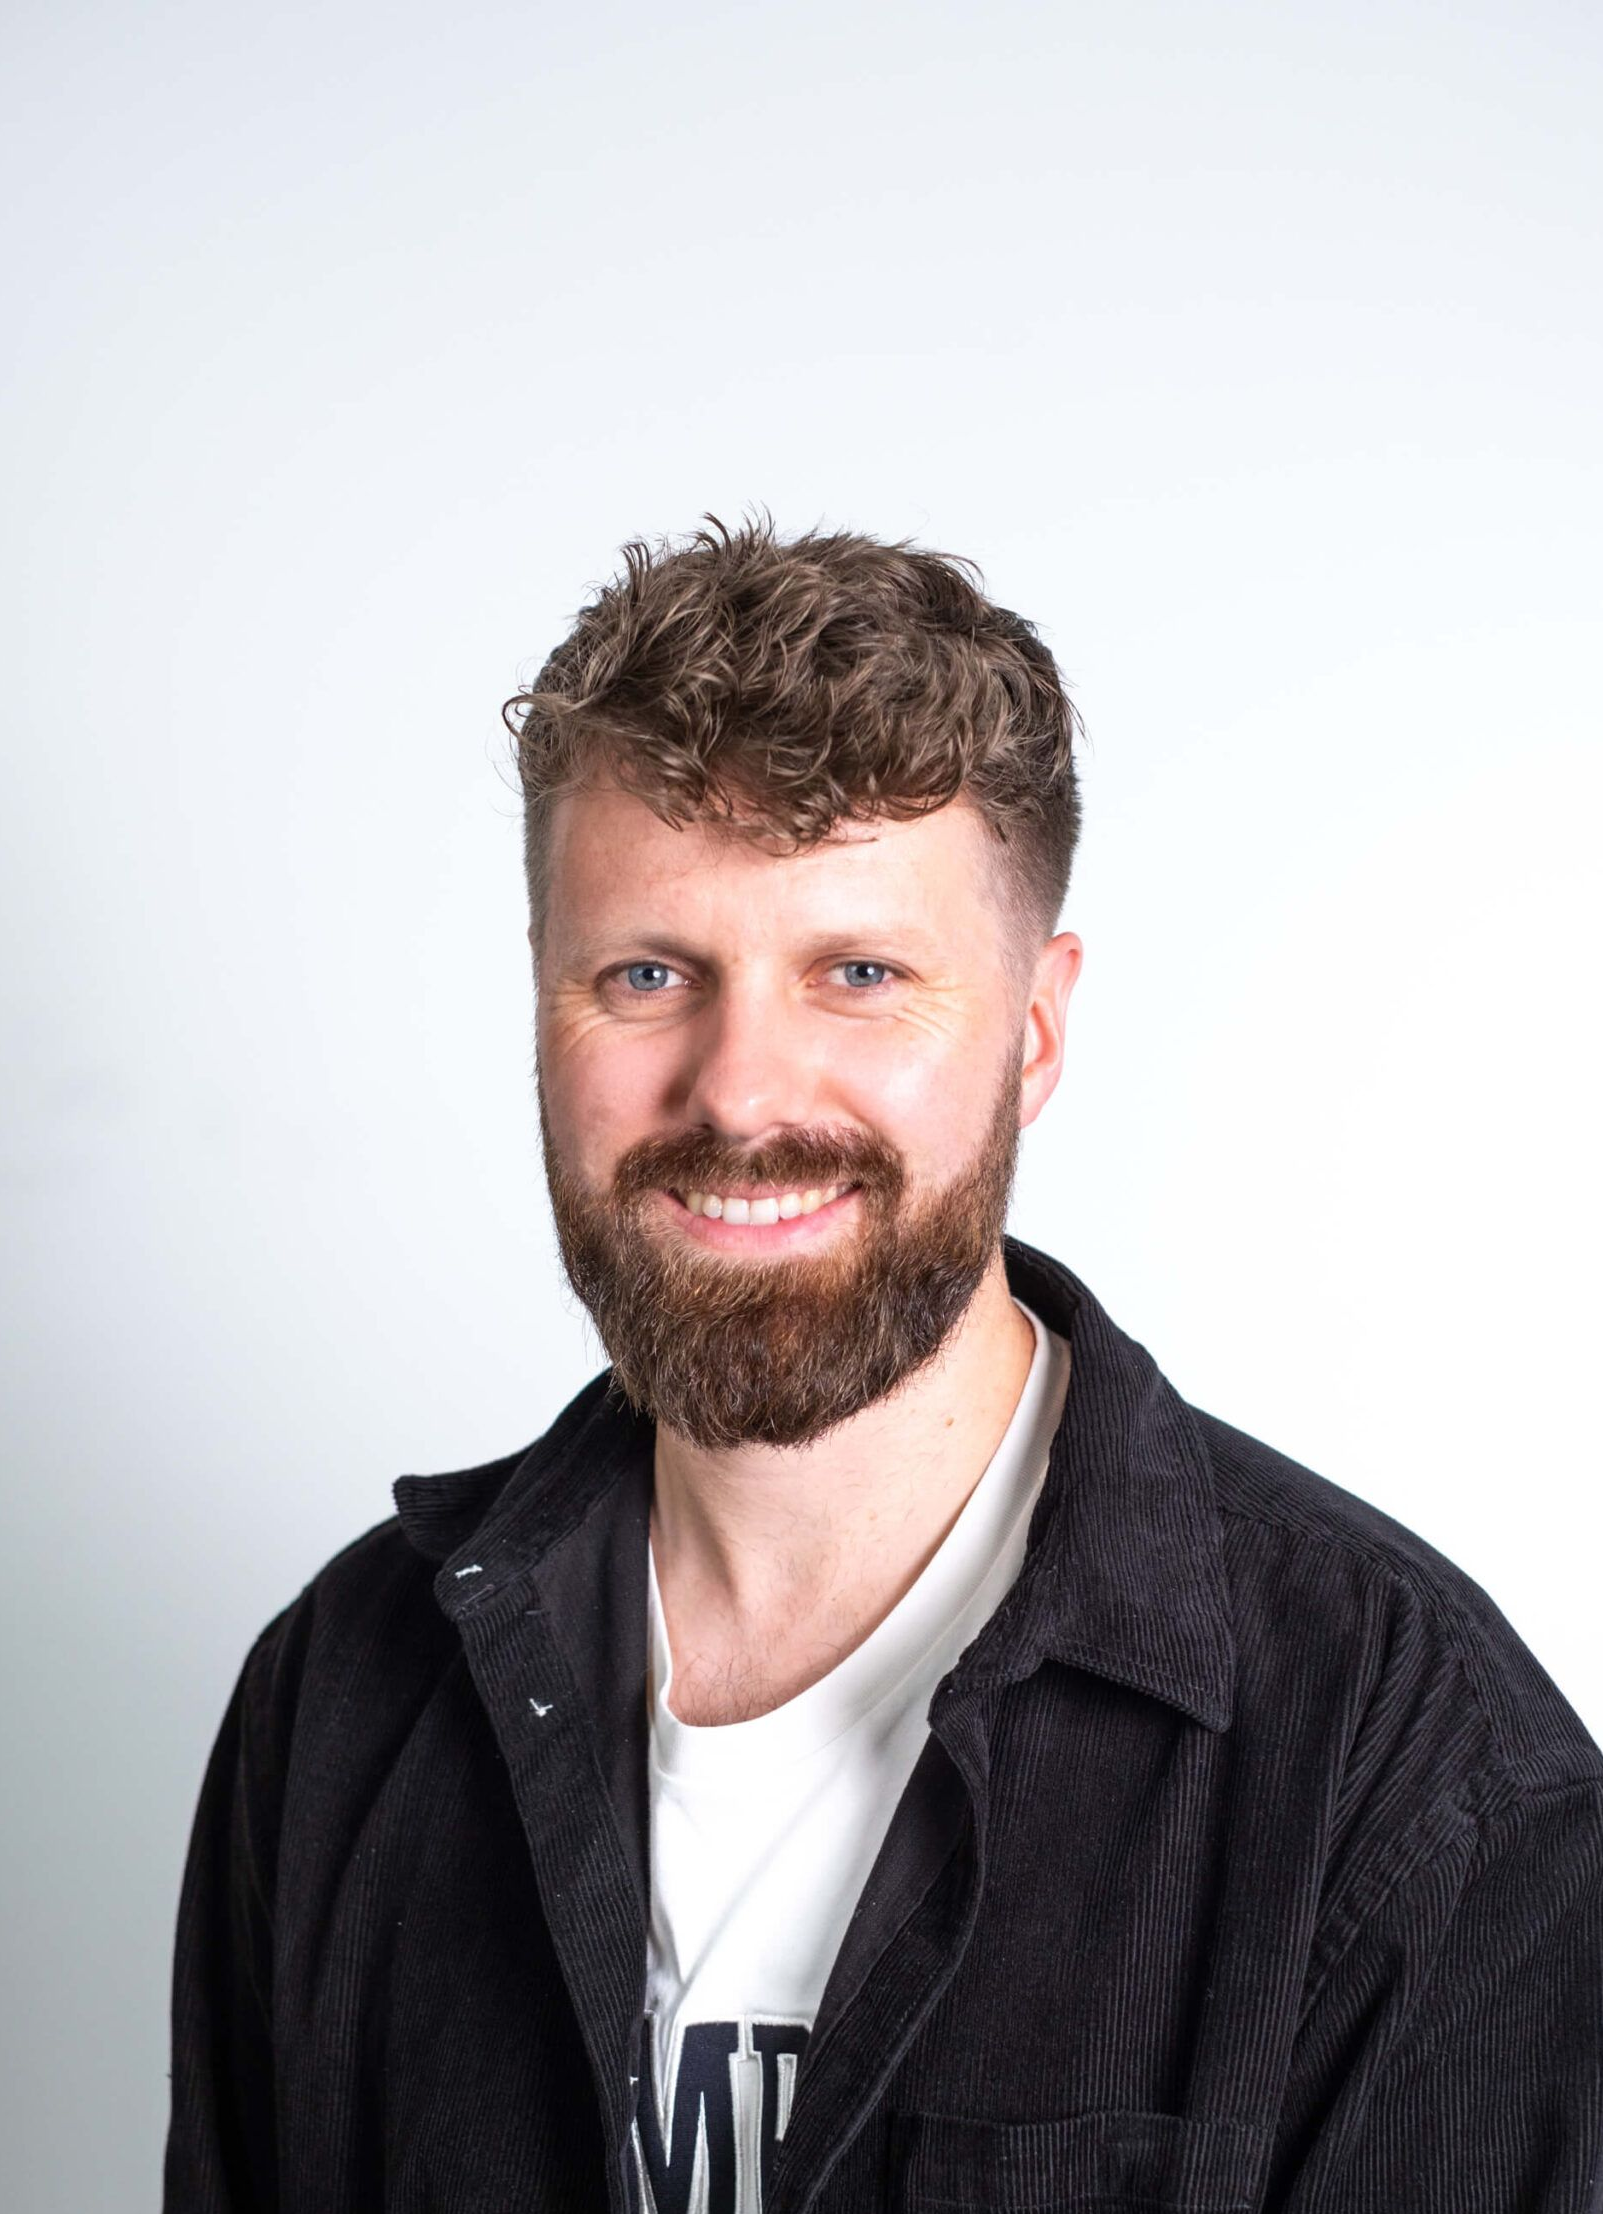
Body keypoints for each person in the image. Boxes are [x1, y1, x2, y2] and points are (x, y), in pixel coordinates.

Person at [164, 514, 1603, 2214]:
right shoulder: (340, 1697)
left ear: (1034, 1031)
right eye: (647, 973)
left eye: (857, 973)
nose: (740, 1091)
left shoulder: (1409, 1765)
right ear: (541, 1006)